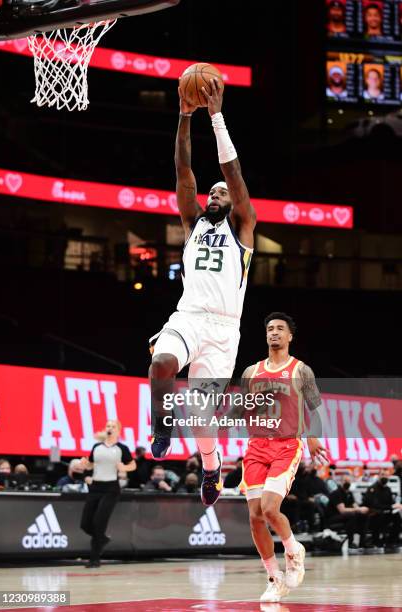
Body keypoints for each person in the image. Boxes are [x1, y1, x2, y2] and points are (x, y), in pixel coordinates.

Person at [148, 77, 256, 508]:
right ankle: (160, 425)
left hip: (224, 331)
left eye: (221, 192)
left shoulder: (244, 227)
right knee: (161, 363)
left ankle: (211, 468)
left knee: (201, 418)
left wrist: (216, 117)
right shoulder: (193, 225)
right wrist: (183, 115)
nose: (214, 193)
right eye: (211, 191)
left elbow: (233, 172)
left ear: (234, 201)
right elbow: (183, 170)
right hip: (189, 315)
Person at [241, 312, 328, 602]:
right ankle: (274, 578)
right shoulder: (251, 372)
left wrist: (313, 437)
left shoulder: (301, 370)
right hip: (256, 446)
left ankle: (293, 549)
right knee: (254, 517)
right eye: (270, 329)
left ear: (290, 336)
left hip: (286, 445)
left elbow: (315, 408)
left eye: (280, 329)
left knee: (268, 508)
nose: (274, 333)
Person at [79, 420, 136, 567]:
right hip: (95, 487)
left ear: (118, 431)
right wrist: (85, 464)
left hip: (111, 488)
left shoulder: (121, 448)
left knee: (99, 522)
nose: (110, 428)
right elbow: (91, 464)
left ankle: (94, 559)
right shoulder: (96, 447)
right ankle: (102, 539)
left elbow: (133, 465)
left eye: (113, 426)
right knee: (85, 524)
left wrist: (124, 467)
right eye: (108, 426)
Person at [363, 469, 402, 548]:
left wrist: (396, 506)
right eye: (383, 474)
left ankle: (391, 541)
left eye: (386, 475)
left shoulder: (388, 489)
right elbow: (375, 505)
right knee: (378, 515)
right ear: (379, 476)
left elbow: (390, 503)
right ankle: (376, 541)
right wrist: (391, 507)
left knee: (397, 517)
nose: (384, 476)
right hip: (374, 514)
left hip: (385, 513)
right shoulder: (372, 488)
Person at [327, 477, 369, 548]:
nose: (347, 483)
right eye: (345, 481)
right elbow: (342, 510)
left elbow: (355, 506)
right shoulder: (336, 493)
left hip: (344, 516)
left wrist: (361, 509)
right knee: (351, 515)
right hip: (333, 517)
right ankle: (350, 542)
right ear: (341, 482)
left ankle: (362, 542)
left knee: (363, 515)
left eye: (349, 481)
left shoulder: (349, 493)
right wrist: (357, 510)